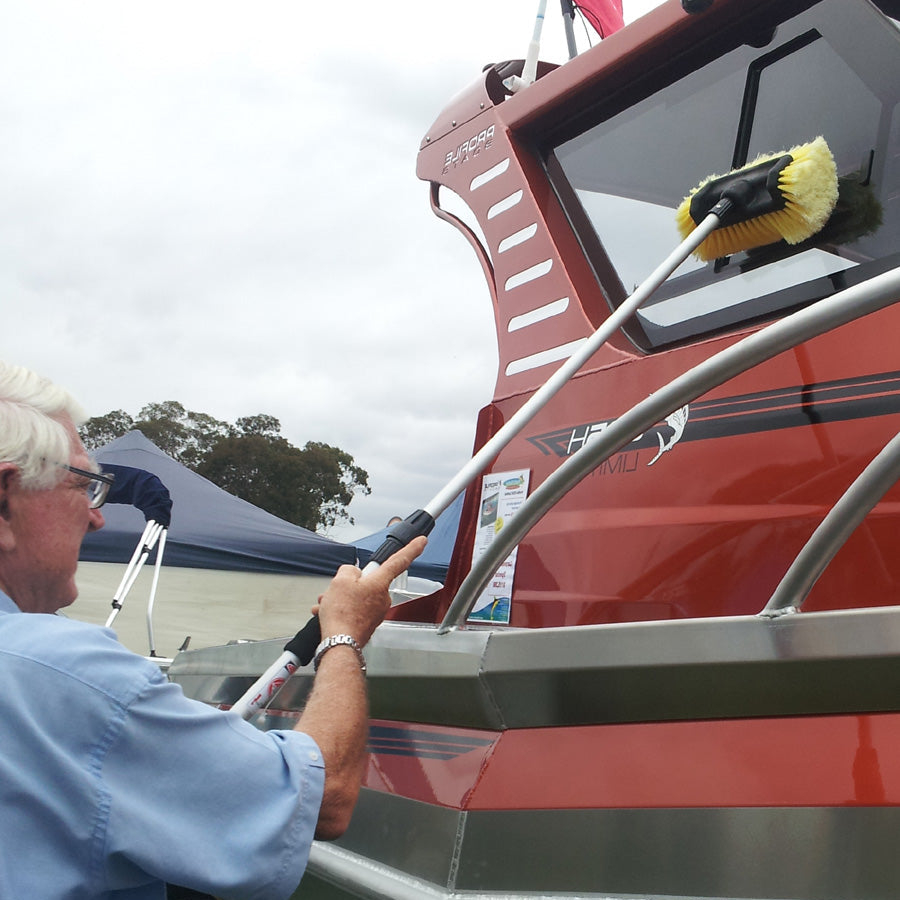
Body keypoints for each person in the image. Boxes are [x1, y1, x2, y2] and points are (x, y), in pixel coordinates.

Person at [0, 360, 426, 900]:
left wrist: (191, 743)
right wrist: (344, 635)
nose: (97, 517)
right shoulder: (70, 675)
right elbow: (324, 799)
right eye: (85, 486)